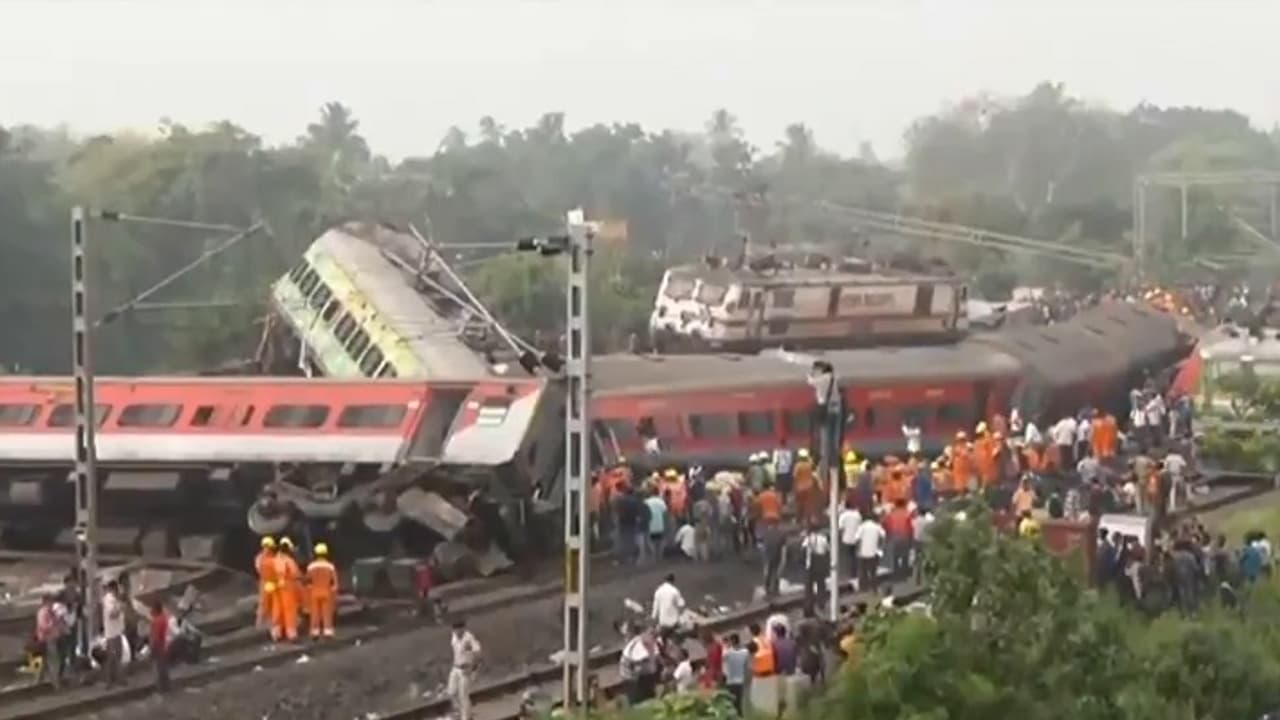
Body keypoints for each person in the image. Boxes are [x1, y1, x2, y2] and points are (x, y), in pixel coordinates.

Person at [448, 619, 482, 720]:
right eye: (455, 630)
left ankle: (466, 717)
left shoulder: (469, 638)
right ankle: (461, 711)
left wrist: (472, 668)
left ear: (463, 629)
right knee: (451, 692)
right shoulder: (453, 637)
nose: (457, 632)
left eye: (459, 629)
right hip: (455, 667)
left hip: (465, 669)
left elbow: (478, 653)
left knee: (463, 695)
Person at [306, 542, 338, 639]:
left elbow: (308, 581)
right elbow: (335, 583)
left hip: (314, 592)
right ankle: (327, 632)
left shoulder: (311, 566)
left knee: (315, 613)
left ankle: (315, 632)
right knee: (326, 612)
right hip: (326, 592)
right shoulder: (330, 566)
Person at [273, 537, 302, 642]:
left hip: (276, 587)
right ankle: (291, 634)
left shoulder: (274, 559)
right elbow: (295, 573)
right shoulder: (288, 560)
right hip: (287, 587)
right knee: (289, 610)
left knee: (277, 610)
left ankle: (277, 633)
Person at [34, 593, 64, 689]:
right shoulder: (43, 612)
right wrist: (54, 625)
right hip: (47, 640)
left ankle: (38, 682)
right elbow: (43, 626)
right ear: (46, 601)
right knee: (54, 662)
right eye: (50, 601)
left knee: (45, 661)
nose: (52, 603)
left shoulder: (51, 612)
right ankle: (55, 683)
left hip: (51, 639)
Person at [800, 522, 830, 613]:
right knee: (821, 584)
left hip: (810, 565)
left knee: (809, 586)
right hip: (820, 565)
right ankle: (821, 603)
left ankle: (809, 604)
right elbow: (827, 551)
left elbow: (802, 550)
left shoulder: (807, 539)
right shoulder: (823, 539)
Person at [101, 579, 126, 687]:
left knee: (118, 656)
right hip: (111, 632)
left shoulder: (115, 599)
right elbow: (112, 614)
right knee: (112, 657)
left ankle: (118, 679)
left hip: (117, 630)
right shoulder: (109, 599)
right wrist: (120, 608)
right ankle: (109, 681)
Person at [854, 514, 885, 592]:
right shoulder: (877, 526)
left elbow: (857, 539)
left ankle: (863, 588)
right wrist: (880, 547)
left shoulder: (862, 527)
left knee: (862, 571)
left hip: (862, 552)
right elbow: (883, 536)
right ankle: (874, 588)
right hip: (873, 552)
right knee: (873, 571)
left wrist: (857, 549)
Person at [722, 633, 750, 716]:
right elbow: (746, 666)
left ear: (732, 641)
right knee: (739, 703)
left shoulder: (728, 653)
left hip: (730, 681)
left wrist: (726, 646)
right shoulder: (745, 652)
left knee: (732, 704)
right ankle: (740, 716)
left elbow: (722, 659)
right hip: (740, 681)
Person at [651, 573, 686, 639]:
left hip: (663, 623)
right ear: (673, 581)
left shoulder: (658, 591)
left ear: (664, 580)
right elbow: (681, 605)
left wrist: (653, 623)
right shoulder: (675, 591)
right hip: (674, 624)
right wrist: (681, 617)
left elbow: (655, 610)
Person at [255, 536, 277, 634]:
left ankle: (262, 624)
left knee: (264, 604)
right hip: (272, 582)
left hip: (265, 583)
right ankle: (272, 626)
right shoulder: (273, 558)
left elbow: (258, 569)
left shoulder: (259, 558)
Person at [148, 598, 170, 693]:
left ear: (156, 610)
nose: (150, 611)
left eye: (152, 609)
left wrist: (151, 648)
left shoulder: (156, 621)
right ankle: (167, 686)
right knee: (163, 668)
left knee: (158, 669)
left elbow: (155, 637)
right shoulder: (164, 618)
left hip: (158, 647)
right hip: (163, 645)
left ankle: (160, 689)